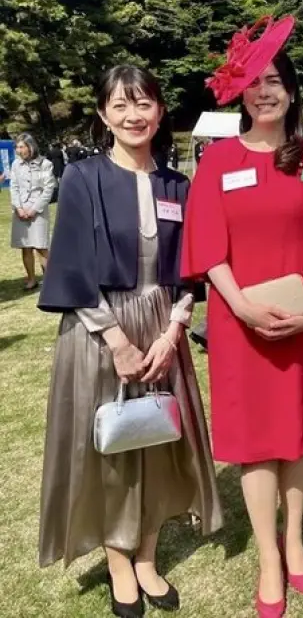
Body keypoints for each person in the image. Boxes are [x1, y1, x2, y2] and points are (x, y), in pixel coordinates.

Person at [182, 15, 303, 618]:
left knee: (298, 432)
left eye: (275, 80)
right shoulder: (217, 161)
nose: (265, 91)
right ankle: (267, 555)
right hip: (241, 325)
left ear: (292, 90)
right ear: (240, 93)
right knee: (257, 442)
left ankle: (294, 538)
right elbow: (209, 247)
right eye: (254, 81)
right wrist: (243, 308)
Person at [38, 65, 222, 618]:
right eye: (120, 105)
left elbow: (191, 268)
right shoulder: (83, 177)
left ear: (160, 111)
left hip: (163, 326)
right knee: (112, 444)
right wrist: (117, 341)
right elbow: (72, 264)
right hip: (100, 328)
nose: (133, 115)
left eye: (143, 103)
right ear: (103, 114)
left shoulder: (177, 185)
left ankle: (147, 555)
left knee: (157, 439)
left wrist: (173, 330)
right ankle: (119, 558)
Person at [10, 133, 56, 290]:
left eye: (21, 147)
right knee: (26, 247)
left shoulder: (45, 164)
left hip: (38, 211)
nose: (18, 150)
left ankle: (50, 280)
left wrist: (34, 209)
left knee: (41, 247)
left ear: (30, 147)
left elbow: (48, 189)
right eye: (17, 147)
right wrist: (18, 207)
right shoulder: (16, 164)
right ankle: (31, 279)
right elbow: (14, 187)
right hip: (20, 211)